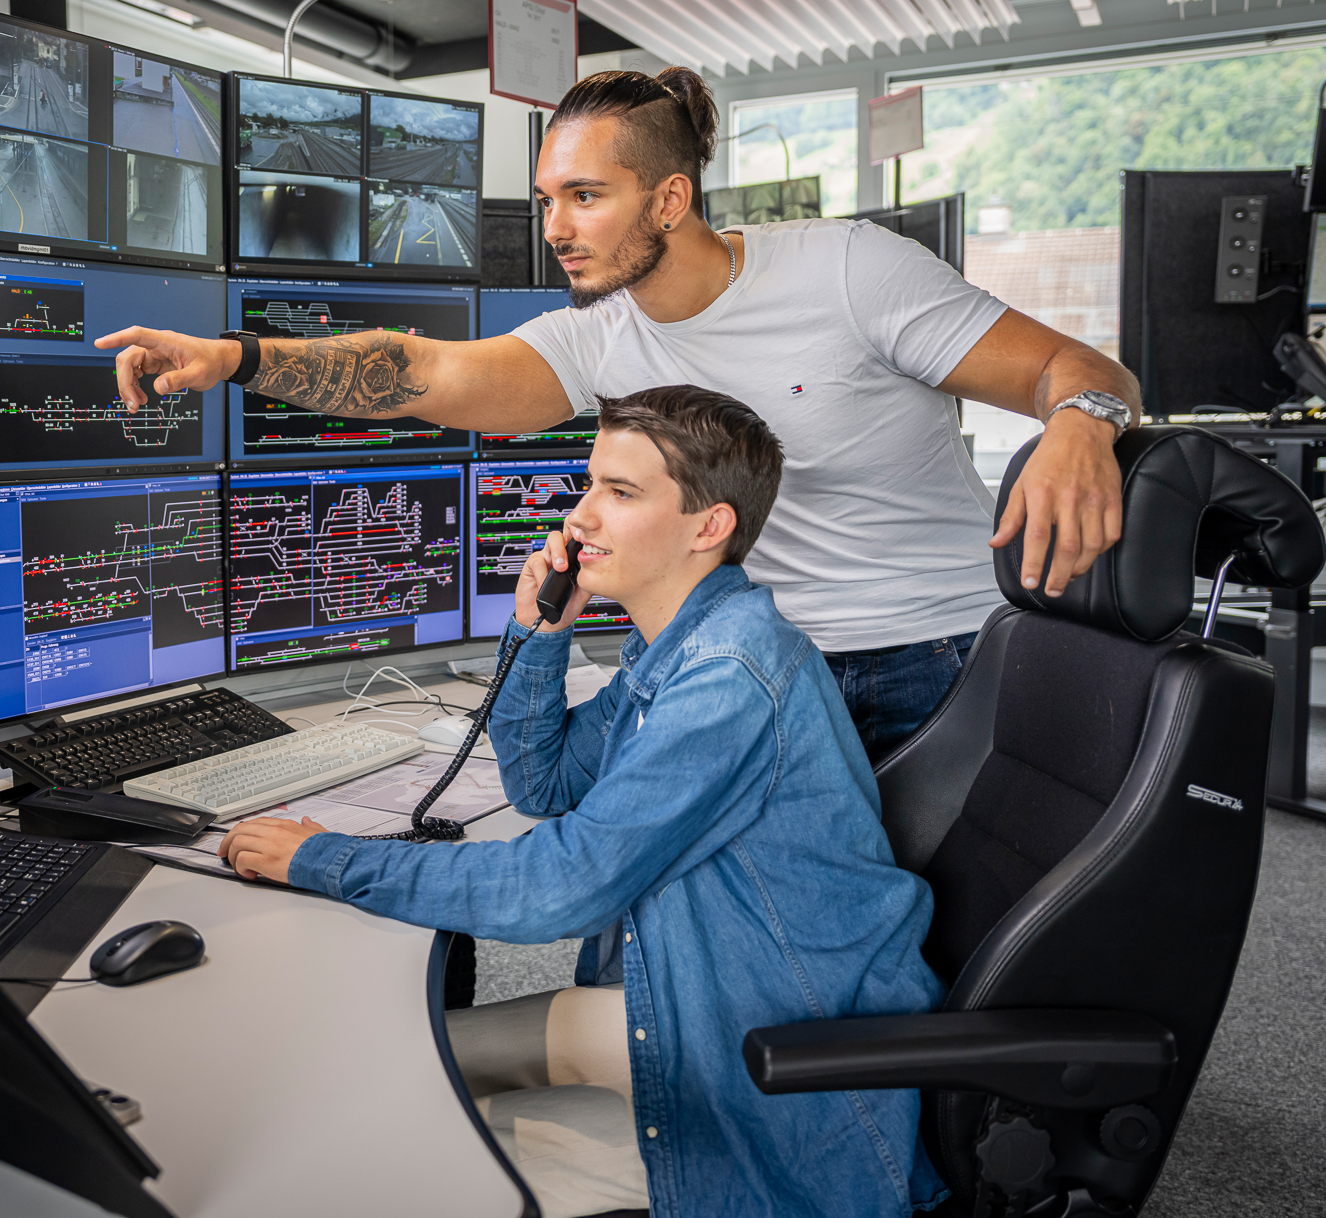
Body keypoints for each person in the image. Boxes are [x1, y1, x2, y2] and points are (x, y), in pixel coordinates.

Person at [98, 67, 1140, 762]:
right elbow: (421, 373)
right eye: (548, 199)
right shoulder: (602, 333)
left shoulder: (850, 269)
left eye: (585, 196)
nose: (556, 227)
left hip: (933, 654)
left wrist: (1078, 424)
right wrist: (235, 358)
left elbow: (1081, 369)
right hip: (753, 659)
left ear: (670, 200)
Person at [219, 386, 947, 1218]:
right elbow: (547, 784)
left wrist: (325, 859)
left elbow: (559, 888)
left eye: (621, 492)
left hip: (763, 1080)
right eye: (591, 482)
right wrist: (544, 631)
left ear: (708, 526)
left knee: (379, 1145)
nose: (580, 516)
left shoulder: (727, 678)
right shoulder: (674, 647)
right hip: (685, 1005)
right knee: (378, 1061)